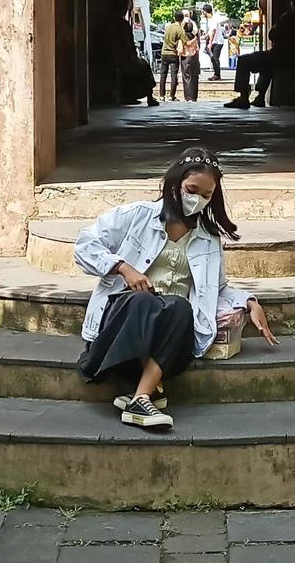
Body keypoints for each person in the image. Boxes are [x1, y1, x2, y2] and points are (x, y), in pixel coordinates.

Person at [72, 149, 276, 427]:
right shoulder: (137, 215)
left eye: (206, 196)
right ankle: (144, 397)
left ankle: (140, 397)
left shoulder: (208, 239)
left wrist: (249, 302)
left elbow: (218, 288)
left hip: (168, 343)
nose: (198, 200)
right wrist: (123, 267)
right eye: (192, 190)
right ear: (175, 184)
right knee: (144, 300)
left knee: (180, 307)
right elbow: (85, 245)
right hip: (121, 335)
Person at [226, 0, 295, 109]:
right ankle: (260, 97)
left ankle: (243, 97)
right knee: (267, 66)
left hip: (280, 55)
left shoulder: (289, 18)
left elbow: (272, 34)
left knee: (244, 60)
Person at [159, 8, 199, 102]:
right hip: (173, 54)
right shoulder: (179, 30)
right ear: (181, 19)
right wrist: (195, 39)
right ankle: (171, 96)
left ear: (174, 18)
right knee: (173, 76)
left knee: (163, 75)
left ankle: (161, 95)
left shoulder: (168, 27)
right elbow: (187, 42)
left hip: (164, 52)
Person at [200, 2, 229, 81]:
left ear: (206, 11)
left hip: (217, 42)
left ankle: (217, 75)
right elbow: (210, 32)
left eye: (203, 11)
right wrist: (204, 37)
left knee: (215, 58)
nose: (203, 13)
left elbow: (213, 31)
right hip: (215, 41)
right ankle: (216, 74)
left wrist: (210, 43)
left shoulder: (213, 19)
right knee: (213, 58)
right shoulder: (209, 20)